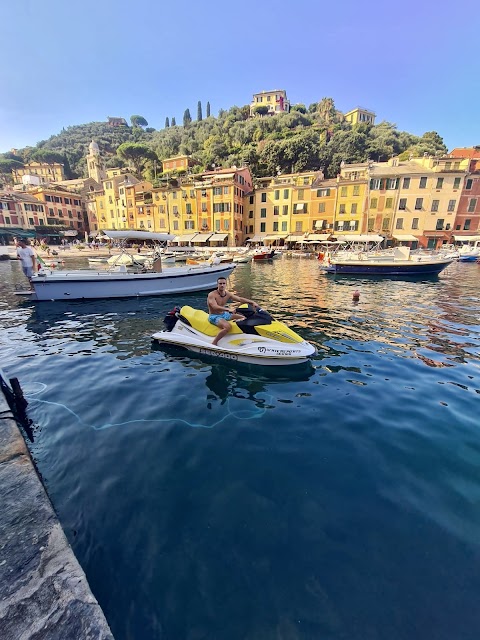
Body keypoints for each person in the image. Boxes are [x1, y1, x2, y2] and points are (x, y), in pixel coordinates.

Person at [207, 277, 260, 346]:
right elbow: (215, 307)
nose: (222, 285)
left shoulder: (227, 294)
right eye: (220, 283)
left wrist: (252, 302)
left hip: (224, 314)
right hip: (214, 316)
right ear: (217, 284)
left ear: (226, 284)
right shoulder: (212, 295)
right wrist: (228, 309)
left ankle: (242, 337)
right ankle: (214, 342)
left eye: (224, 283)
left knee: (244, 318)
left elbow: (240, 299)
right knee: (228, 327)